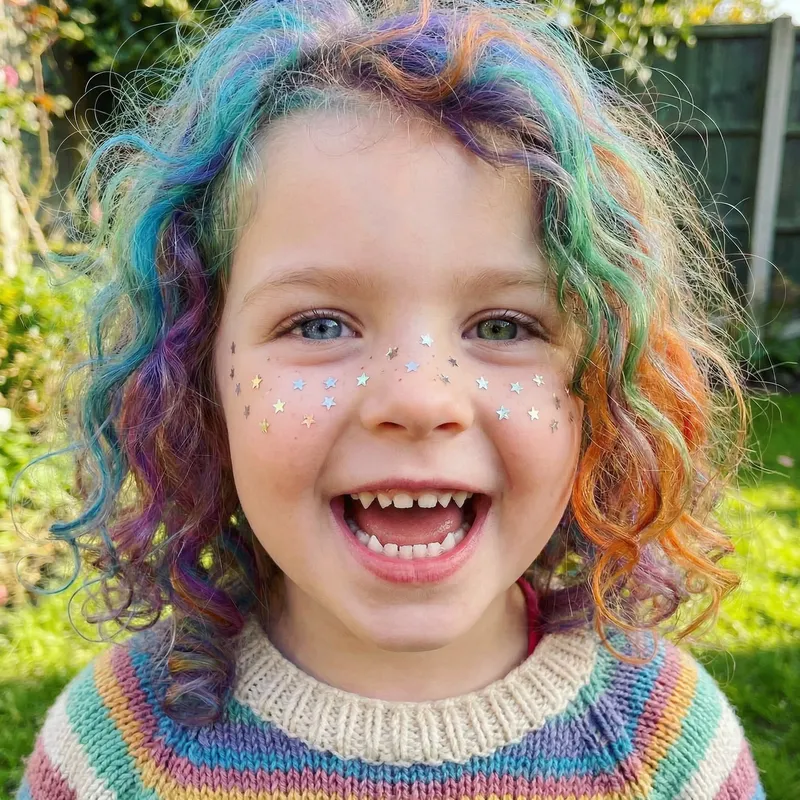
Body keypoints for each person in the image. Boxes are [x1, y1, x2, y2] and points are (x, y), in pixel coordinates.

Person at [16, 0, 765, 796]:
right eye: (319, 323)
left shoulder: (669, 751)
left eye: (505, 325)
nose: (418, 396)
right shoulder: (114, 756)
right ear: (196, 378)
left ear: (603, 383)